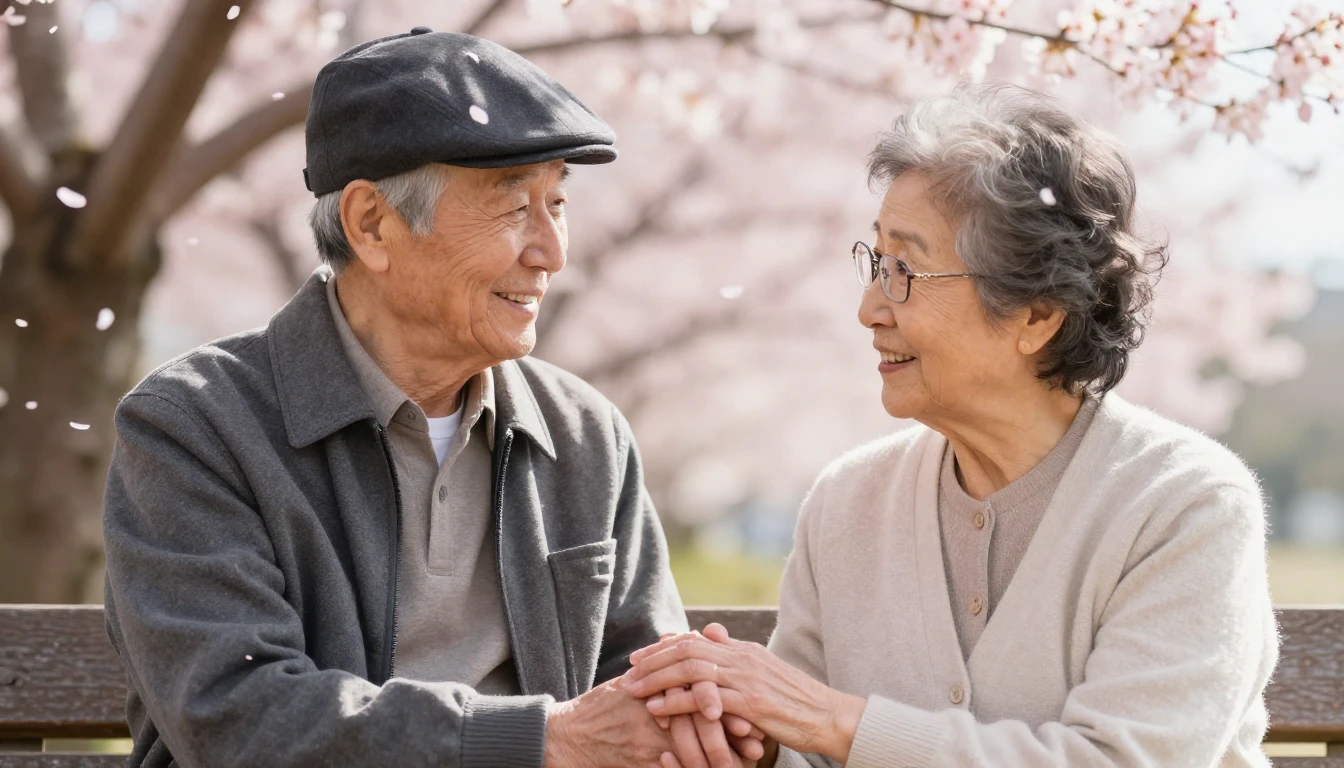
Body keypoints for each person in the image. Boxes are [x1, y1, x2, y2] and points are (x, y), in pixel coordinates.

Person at [102, 28, 761, 768]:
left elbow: (635, 694)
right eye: (514, 208)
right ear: (372, 224)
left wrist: (696, 715)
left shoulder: (584, 435)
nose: (552, 251)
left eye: (558, 202)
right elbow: (235, 715)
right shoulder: (195, 425)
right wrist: (540, 739)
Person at [622, 83, 1279, 768]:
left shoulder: (1184, 505)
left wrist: (828, 720)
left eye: (904, 269)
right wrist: (751, 748)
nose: (869, 308)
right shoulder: (848, 503)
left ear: (1036, 315)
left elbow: (1120, 761)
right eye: (875, 262)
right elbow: (805, 750)